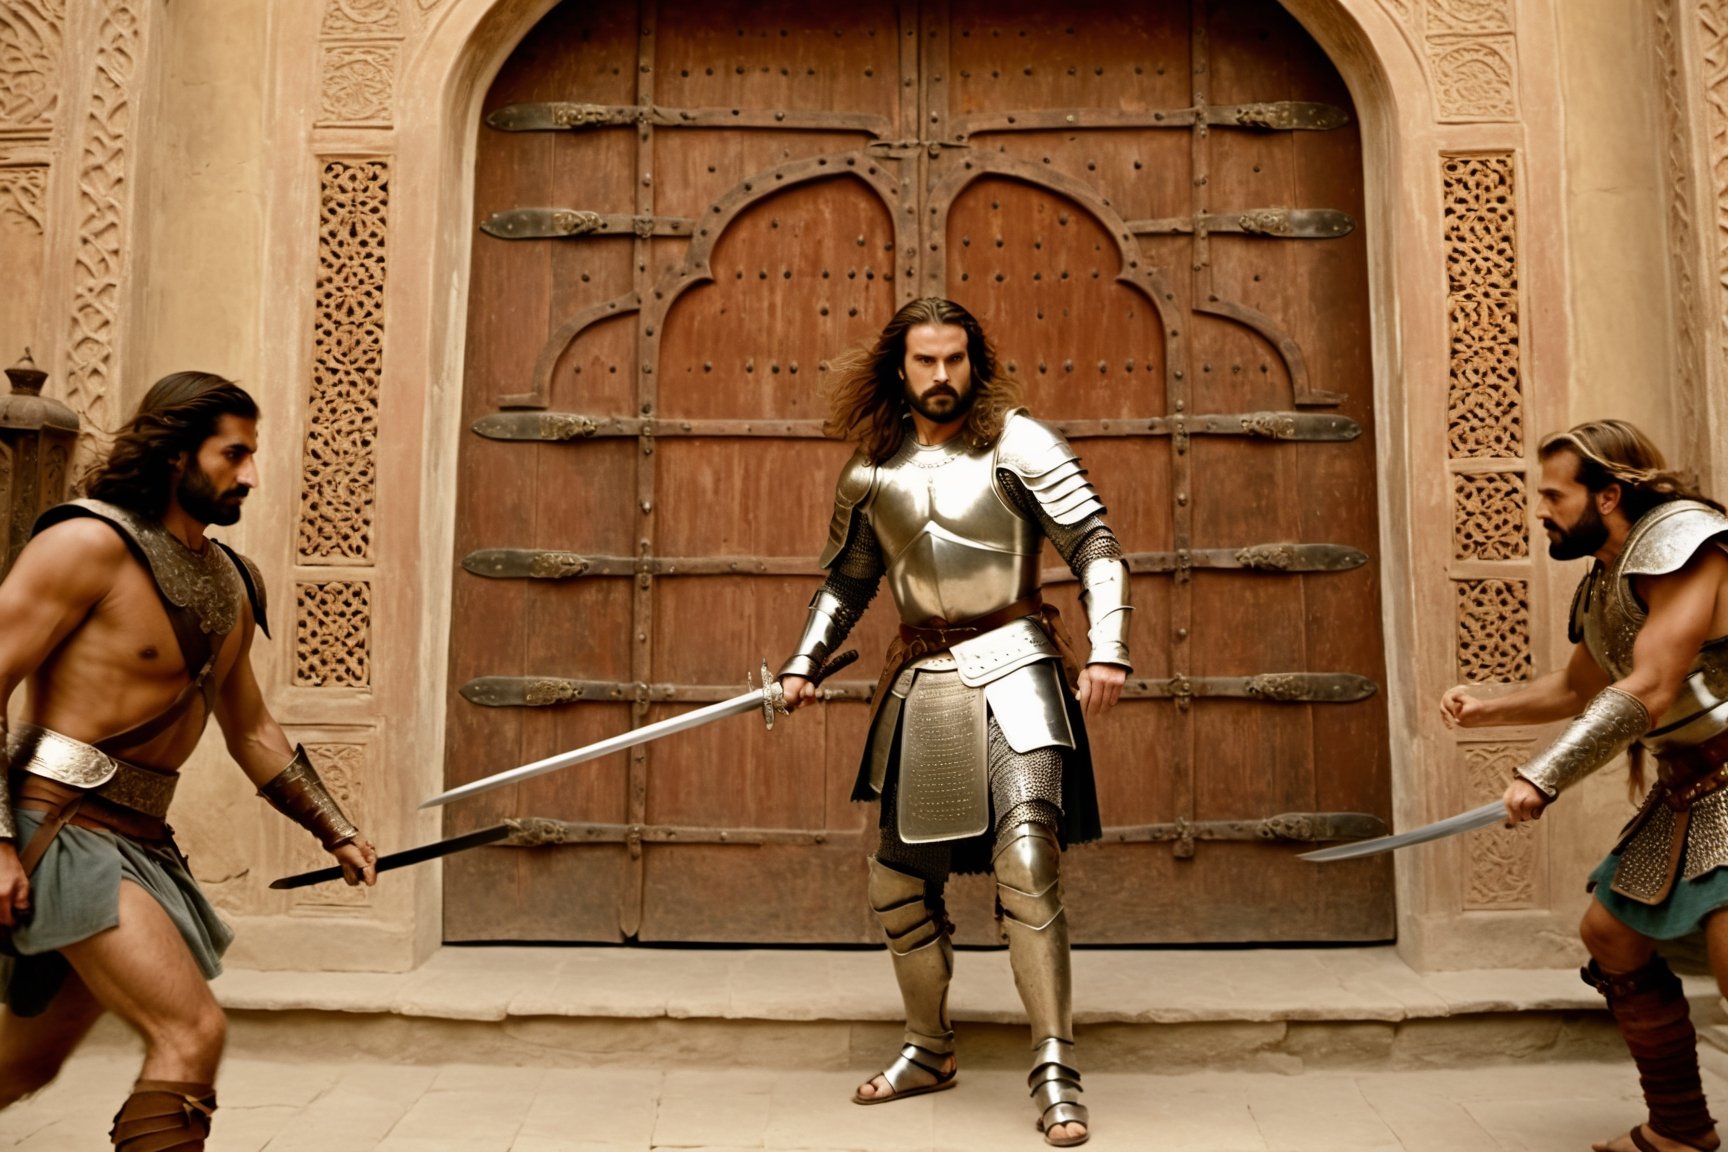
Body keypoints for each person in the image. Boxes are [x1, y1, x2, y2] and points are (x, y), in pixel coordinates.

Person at [778, 298, 1131, 1148]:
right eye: (925, 361)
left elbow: (1096, 546)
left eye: (955, 360)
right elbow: (848, 583)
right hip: (922, 684)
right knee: (898, 884)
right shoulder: (870, 470)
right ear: (898, 369)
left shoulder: (1021, 443)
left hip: (1017, 668)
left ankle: (1054, 1068)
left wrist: (1109, 649)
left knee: (1028, 860)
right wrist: (802, 662)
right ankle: (930, 1048)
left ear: (977, 361)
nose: (942, 377)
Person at [0, 372, 378, 1151]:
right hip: (59, 828)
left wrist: (334, 828)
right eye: (232, 454)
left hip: (141, 839)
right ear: (176, 454)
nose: (250, 474)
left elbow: (250, 728)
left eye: (252, 454)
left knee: (21, 1066)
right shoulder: (84, 544)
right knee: (191, 1033)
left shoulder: (233, 580)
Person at [1443, 419, 1728, 1152]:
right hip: (1691, 783)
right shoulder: (1607, 577)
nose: (1538, 509)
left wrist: (1544, 775)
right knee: (1612, 936)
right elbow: (1579, 690)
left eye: (1551, 494)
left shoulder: (1684, 544)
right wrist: (1489, 706)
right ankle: (1680, 1130)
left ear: (1606, 495)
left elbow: (1655, 684)